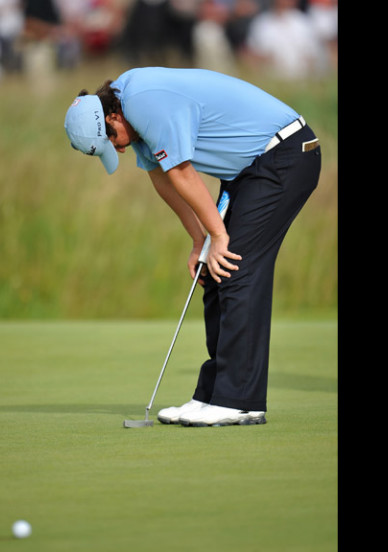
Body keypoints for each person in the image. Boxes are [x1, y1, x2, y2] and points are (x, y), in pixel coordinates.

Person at [63, 67, 321, 427]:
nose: (119, 148)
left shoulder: (144, 103)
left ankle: (240, 401)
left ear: (112, 115)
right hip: (249, 172)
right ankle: (214, 395)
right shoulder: (128, 110)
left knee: (234, 266)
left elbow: (183, 171)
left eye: (113, 139)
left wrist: (218, 237)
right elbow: (164, 178)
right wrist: (200, 240)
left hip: (284, 154)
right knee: (212, 270)